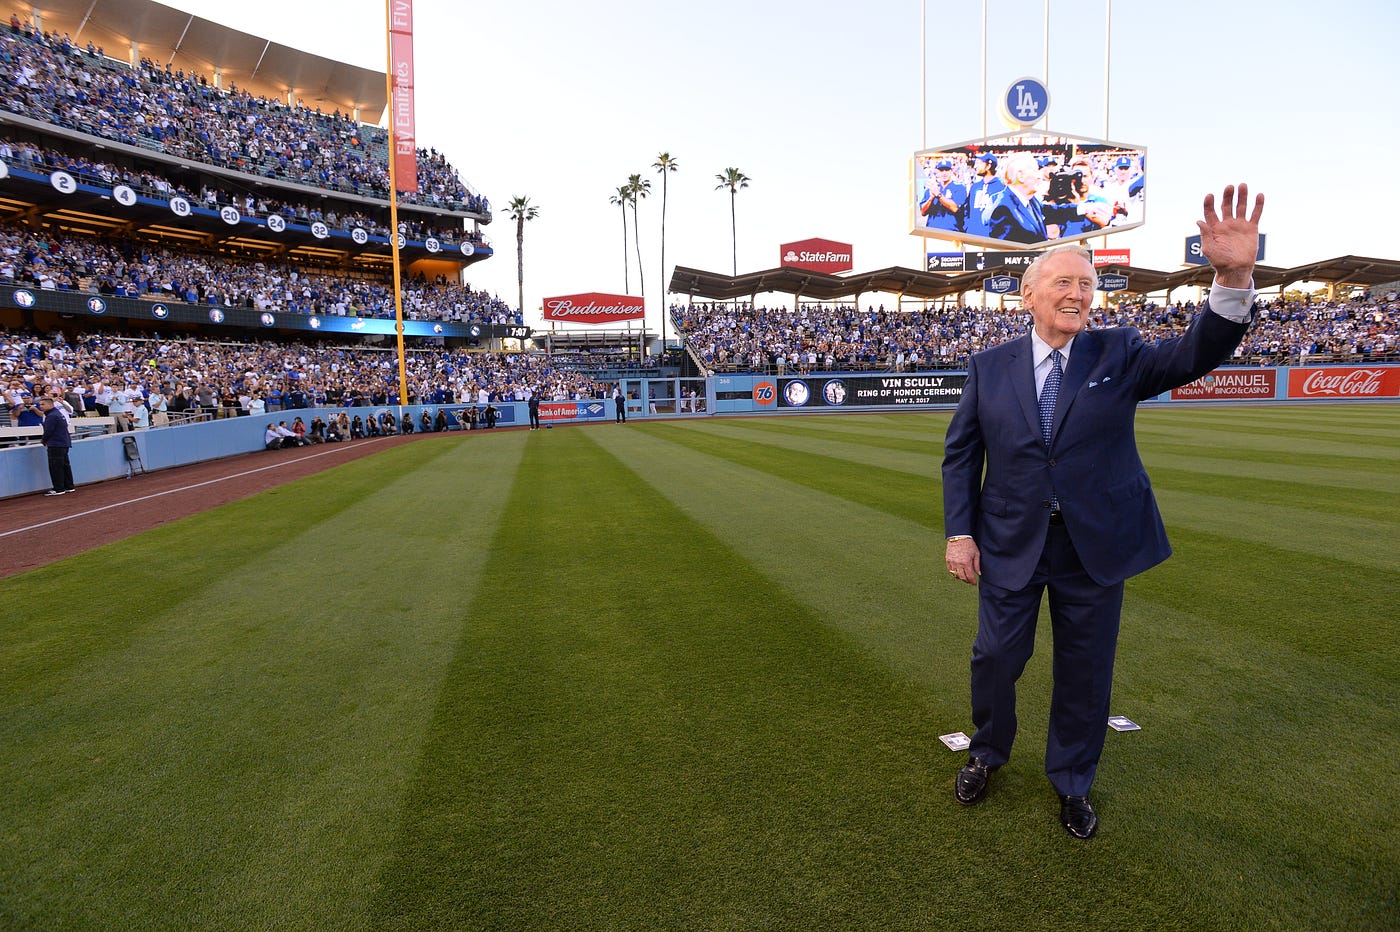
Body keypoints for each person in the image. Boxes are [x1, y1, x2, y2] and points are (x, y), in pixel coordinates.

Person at [941, 184, 1265, 840]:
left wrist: (1232, 278)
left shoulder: (1119, 350)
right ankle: (987, 750)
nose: (1078, 295)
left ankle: (1072, 783)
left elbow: (1196, 353)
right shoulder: (988, 365)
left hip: (1094, 546)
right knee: (996, 658)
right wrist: (960, 530)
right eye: (1064, 282)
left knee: (1086, 672)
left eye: (1087, 285)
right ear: (1028, 293)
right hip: (1010, 542)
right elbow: (960, 455)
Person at [985, 152, 1049, 245]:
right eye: (1035, 171)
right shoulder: (1003, 208)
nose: (1040, 177)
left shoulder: (1030, 199)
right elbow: (1005, 253)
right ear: (1020, 176)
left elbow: (1051, 211)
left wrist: (1078, 209)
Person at [961, 152, 1005, 239]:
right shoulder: (975, 186)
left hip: (991, 238)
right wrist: (967, 226)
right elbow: (967, 209)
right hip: (972, 234)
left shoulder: (1001, 187)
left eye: (978, 163)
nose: (975, 166)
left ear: (988, 166)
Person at [39, 396, 76, 495]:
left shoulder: (51, 416)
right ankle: (69, 486)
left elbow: (49, 430)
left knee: (56, 466)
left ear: (50, 404)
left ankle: (58, 488)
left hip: (56, 443)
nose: (41, 407)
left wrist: (43, 440)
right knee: (64, 465)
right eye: (40, 405)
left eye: (43, 404)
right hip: (63, 442)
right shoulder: (57, 413)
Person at [920, 159, 967, 233]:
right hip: (932, 230)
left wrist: (938, 195)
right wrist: (931, 198)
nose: (944, 173)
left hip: (951, 230)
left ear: (951, 171)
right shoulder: (932, 188)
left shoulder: (959, 187)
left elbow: (955, 208)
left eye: (947, 170)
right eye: (941, 170)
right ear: (937, 172)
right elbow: (923, 212)